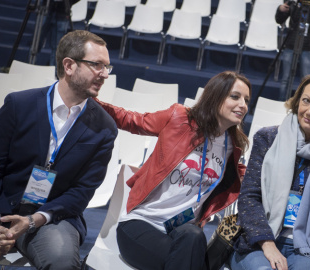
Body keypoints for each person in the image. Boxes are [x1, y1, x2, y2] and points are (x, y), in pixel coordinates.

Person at [94, 71, 250, 270]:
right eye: (235, 97)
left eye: (246, 100)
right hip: (141, 225)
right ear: (216, 95)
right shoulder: (180, 118)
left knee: (193, 236)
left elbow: (249, 179)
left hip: (184, 233)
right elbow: (132, 120)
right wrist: (91, 103)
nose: (243, 105)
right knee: (191, 260)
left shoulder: (232, 145)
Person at [0, 30, 117, 269]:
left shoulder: (104, 127)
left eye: (107, 67)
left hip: (52, 217)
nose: (104, 74)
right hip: (0, 207)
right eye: (97, 65)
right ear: (69, 65)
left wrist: (33, 220)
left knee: (61, 261)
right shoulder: (19, 105)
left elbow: (82, 191)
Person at [229, 72, 310, 270]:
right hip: (260, 239)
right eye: (306, 101)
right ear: (297, 102)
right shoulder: (268, 138)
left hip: (309, 247)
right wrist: (268, 244)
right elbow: (249, 197)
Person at [276, 0, 310, 101]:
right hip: (291, 44)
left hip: (308, 46)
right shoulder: (293, 4)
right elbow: (279, 20)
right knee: (285, 78)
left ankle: (303, 105)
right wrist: (281, 10)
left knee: (306, 80)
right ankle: (282, 103)